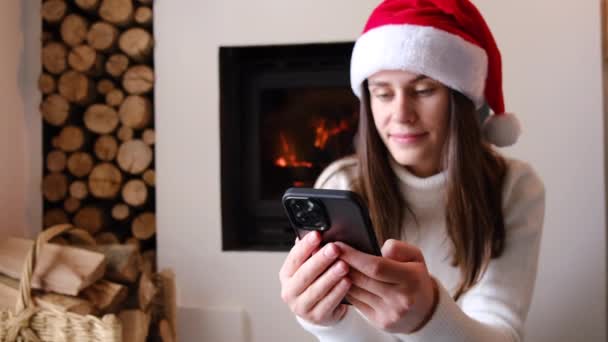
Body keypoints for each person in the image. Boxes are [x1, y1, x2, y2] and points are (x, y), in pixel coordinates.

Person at [278, 0, 545, 341]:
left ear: (459, 99)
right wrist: (326, 321)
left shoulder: (515, 187)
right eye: (383, 93)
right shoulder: (341, 184)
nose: (401, 114)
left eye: (423, 90)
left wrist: (429, 317)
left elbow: (502, 332)